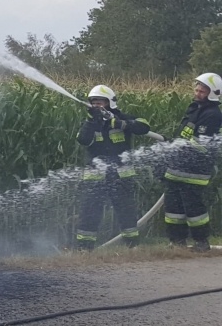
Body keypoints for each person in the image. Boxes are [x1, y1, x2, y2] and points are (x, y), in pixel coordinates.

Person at [73, 85, 151, 249]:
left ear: (110, 103)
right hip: (95, 177)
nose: (96, 106)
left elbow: (144, 126)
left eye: (100, 102)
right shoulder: (90, 123)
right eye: (94, 103)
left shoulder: (122, 118)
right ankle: (84, 248)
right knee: (90, 211)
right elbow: (83, 140)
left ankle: (132, 245)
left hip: (121, 175)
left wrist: (120, 123)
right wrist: (91, 121)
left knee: (126, 211)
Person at [162, 74, 222, 251]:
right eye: (196, 89)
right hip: (178, 167)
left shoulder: (212, 115)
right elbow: (184, 135)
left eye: (202, 91)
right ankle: (177, 241)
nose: (197, 93)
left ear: (213, 93)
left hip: (195, 170)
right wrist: (172, 143)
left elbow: (200, 143)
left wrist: (176, 145)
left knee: (194, 208)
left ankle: (201, 242)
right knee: (173, 208)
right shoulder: (194, 109)